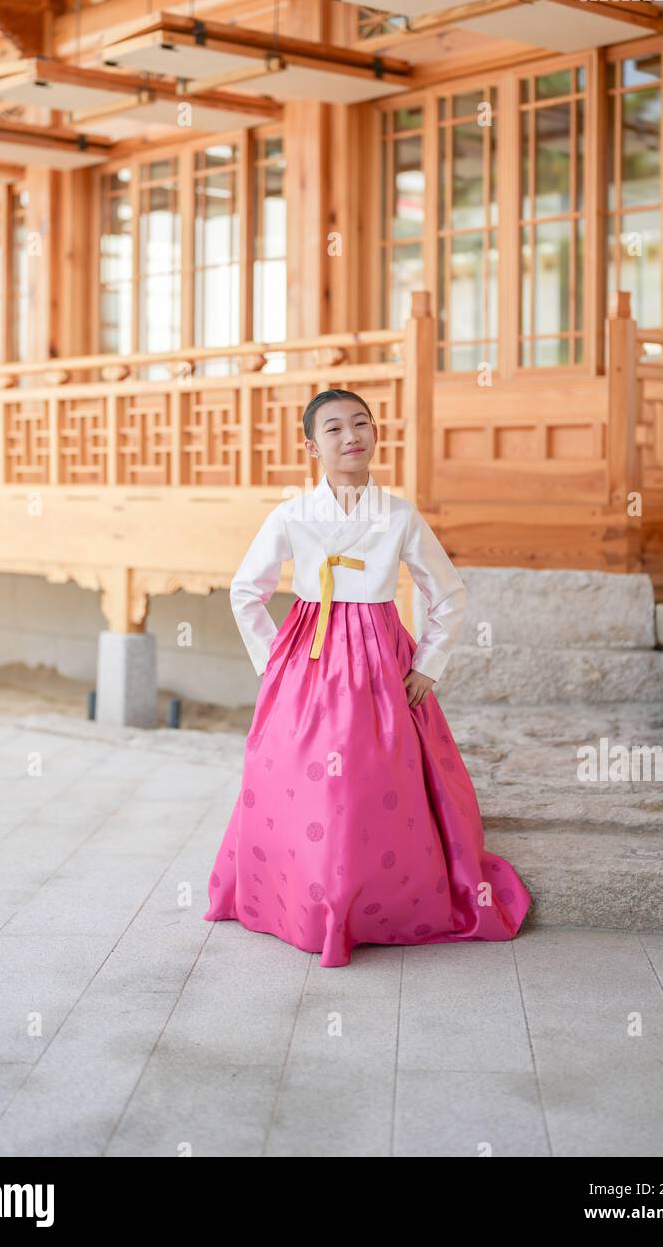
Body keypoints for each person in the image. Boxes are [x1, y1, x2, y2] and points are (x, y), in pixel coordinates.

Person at [203, 387, 532, 967]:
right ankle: (307, 899)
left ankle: (372, 899)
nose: (350, 435)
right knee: (303, 777)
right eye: (333, 428)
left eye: (361, 423)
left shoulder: (399, 515)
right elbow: (245, 590)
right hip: (308, 655)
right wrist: (270, 661)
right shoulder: (293, 514)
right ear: (311, 446)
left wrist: (428, 665)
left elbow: (447, 592)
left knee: (372, 777)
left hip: (380, 657)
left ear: (376, 434)